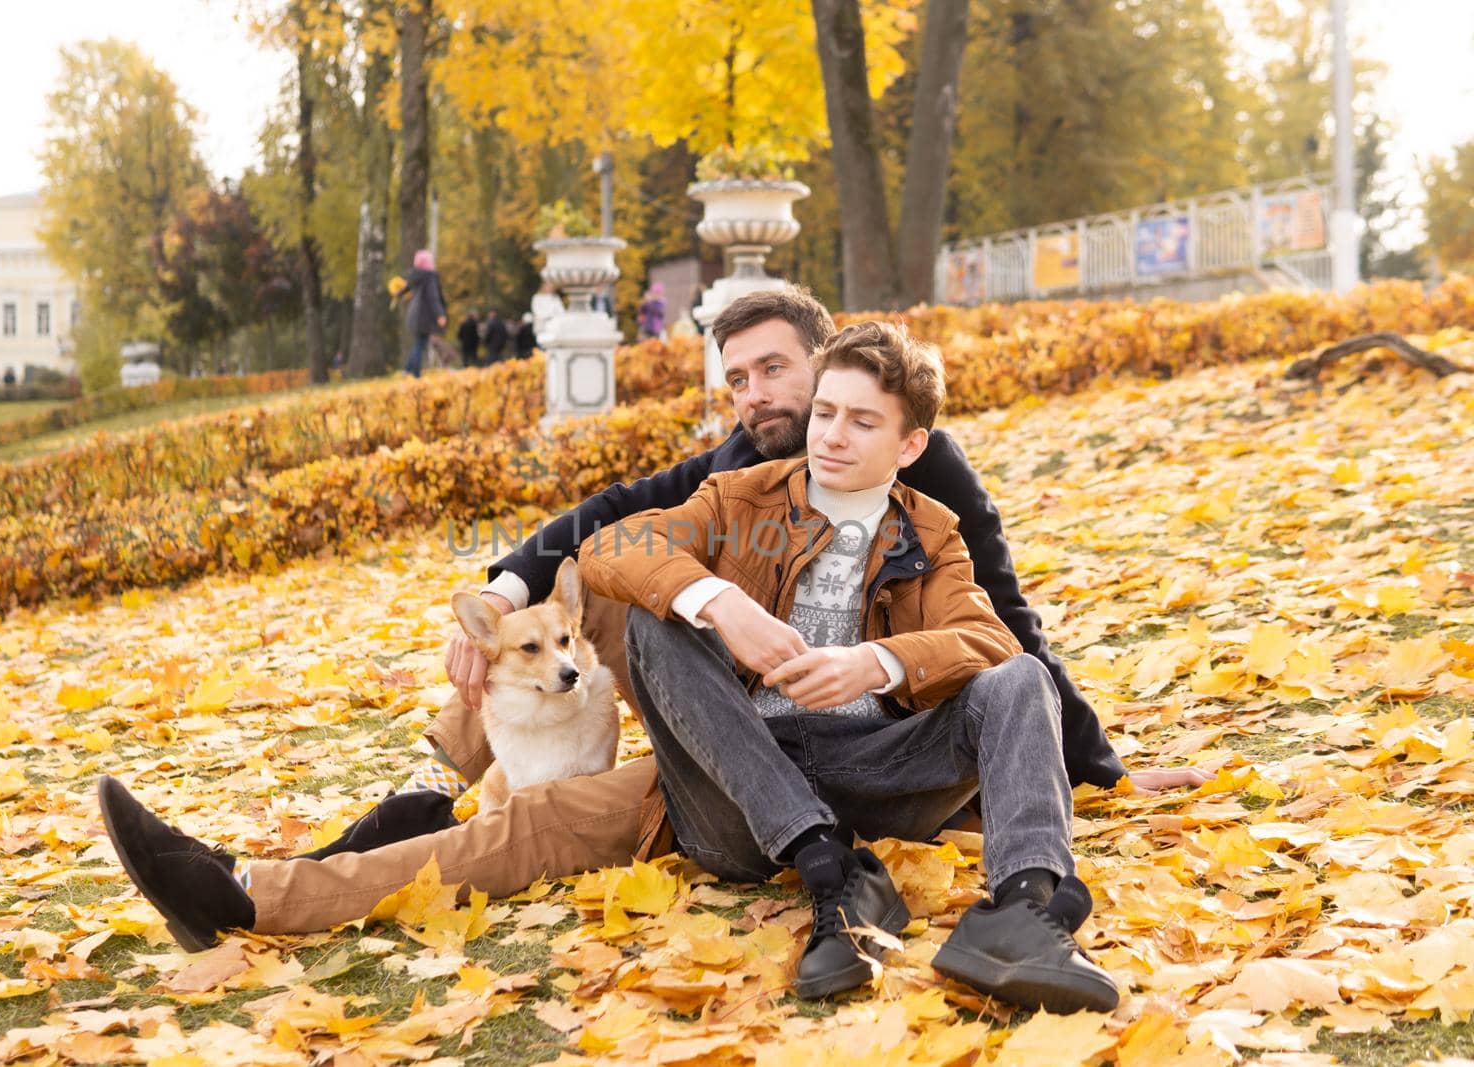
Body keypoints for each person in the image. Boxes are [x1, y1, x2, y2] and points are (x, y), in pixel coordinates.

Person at [96, 287, 1205, 965]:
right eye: (745, 382)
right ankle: (340, 838)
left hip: (855, 746)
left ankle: (268, 882)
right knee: (555, 678)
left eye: (788, 376)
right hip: (717, 741)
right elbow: (599, 535)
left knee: (528, 825)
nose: (768, 399)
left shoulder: (924, 485)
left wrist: (1088, 763)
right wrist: (511, 601)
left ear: (877, 411)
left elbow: (1001, 628)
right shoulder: (736, 473)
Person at [577, 321, 1116, 1009]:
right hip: (740, 791)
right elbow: (610, 547)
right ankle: (829, 867)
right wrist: (719, 602)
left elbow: (990, 640)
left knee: (1020, 678)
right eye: (825, 412)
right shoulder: (736, 497)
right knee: (658, 616)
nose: (831, 435)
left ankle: (1022, 910)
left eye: (862, 422)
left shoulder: (933, 530)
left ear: (910, 443)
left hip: (878, 770)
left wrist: (876, 663)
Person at [403, 250, 448, 378]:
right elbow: (433, 297)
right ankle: (415, 374)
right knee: (420, 345)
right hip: (423, 317)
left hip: (413, 316)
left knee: (418, 343)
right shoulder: (429, 277)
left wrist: (397, 293)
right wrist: (440, 314)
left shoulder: (414, 276)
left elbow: (405, 288)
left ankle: (408, 370)